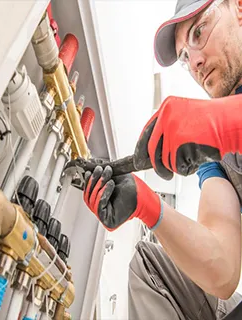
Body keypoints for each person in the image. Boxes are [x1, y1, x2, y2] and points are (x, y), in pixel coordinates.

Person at [83, 0, 242, 319]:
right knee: (148, 265)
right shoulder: (217, 159)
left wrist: (220, 124)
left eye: (199, 31)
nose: (195, 61)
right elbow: (222, 274)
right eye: (185, 56)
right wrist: (146, 204)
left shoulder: (216, 131)